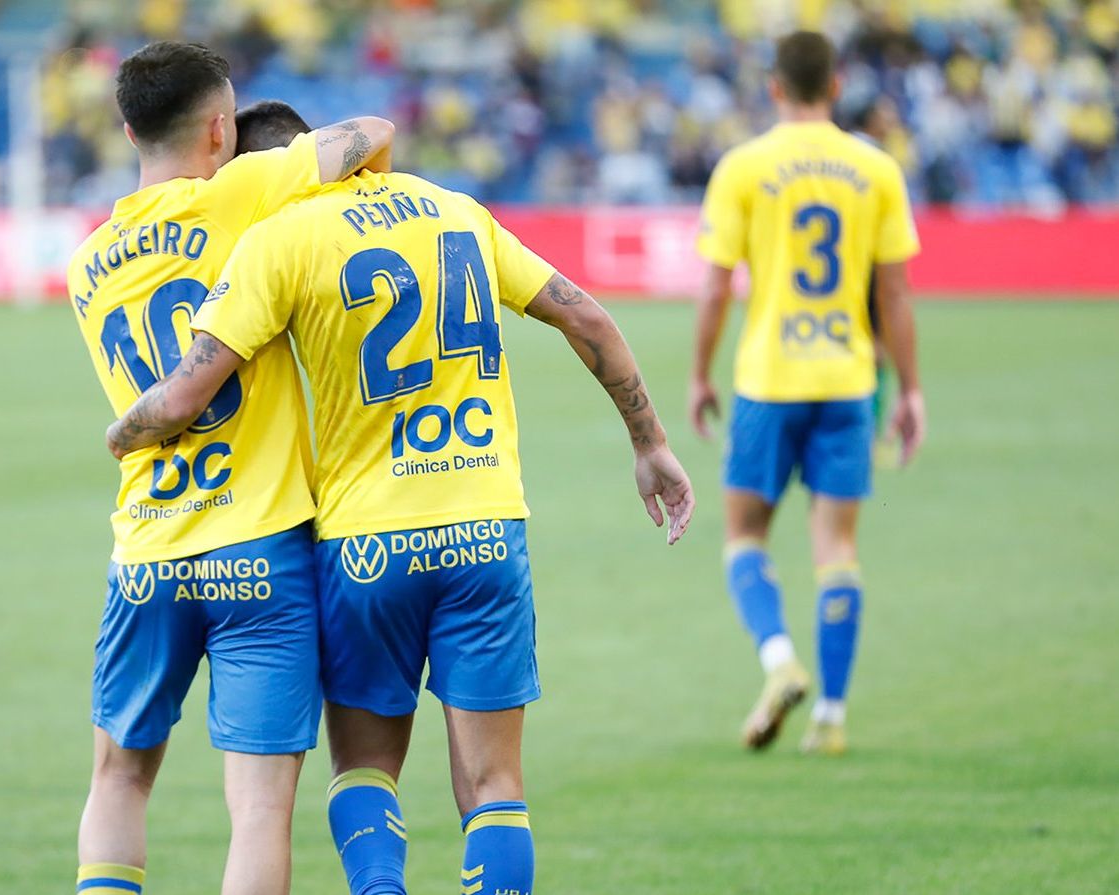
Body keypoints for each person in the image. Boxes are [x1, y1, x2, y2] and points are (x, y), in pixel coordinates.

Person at [103, 129, 695, 894]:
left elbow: (187, 393)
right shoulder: (456, 210)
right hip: (485, 526)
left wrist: (123, 432)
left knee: (363, 769)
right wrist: (649, 443)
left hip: (366, 543)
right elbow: (587, 318)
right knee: (495, 786)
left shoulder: (278, 237)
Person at [65, 43, 395, 895]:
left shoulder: (86, 266)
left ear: (130, 128)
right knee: (257, 809)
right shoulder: (244, 195)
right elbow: (369, 131)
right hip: (262, 545)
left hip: (148, 545)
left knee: (118, 778)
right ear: (221, 129)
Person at [689, 31, 926, 756]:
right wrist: (910, 389)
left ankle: (778, 659)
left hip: (768, 378)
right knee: (837, 545)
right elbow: (893, 291)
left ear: (773, 86)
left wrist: (700, 374)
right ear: (837, 82)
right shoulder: (875, 167)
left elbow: (716, 283)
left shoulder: (744, 167)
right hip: (849, 378)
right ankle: (830, 713)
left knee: (744, 534)